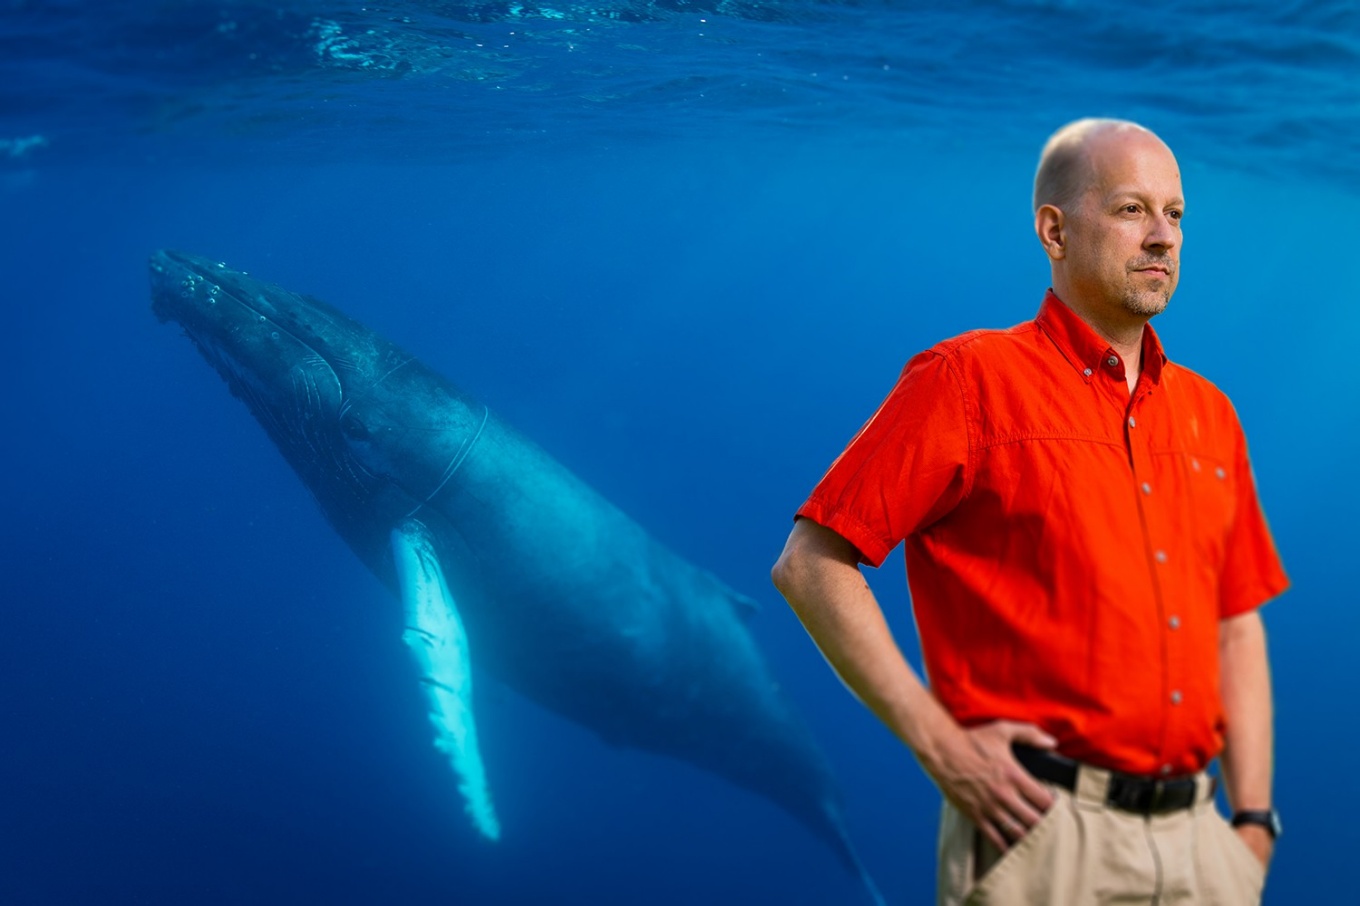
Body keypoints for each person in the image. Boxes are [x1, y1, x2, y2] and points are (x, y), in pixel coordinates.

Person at [771, 119, 1288, 905]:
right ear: (1054, 229)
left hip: (1201, 848)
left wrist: (1251, 825)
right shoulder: (965, 381)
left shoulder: (1211, 415)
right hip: (1042, 837)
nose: (1161, 238)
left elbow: (1237, 621)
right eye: (1130, 210)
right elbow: (811, 562)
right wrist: (936, 741)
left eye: (1175, 215)